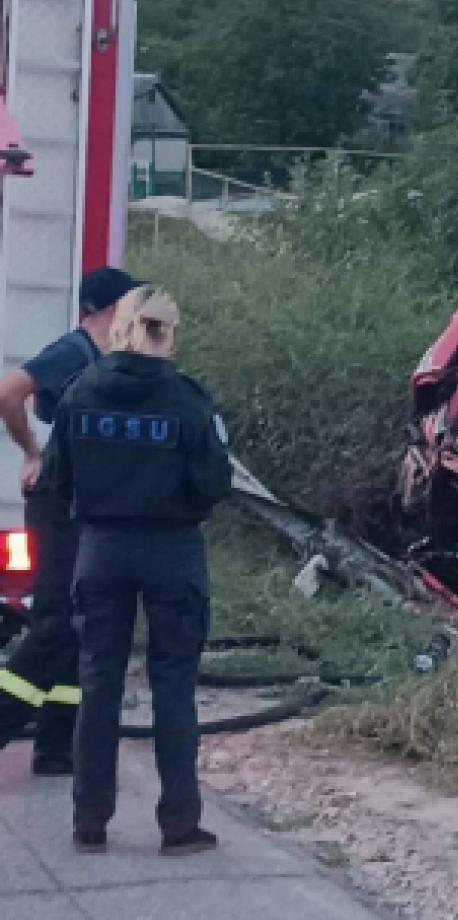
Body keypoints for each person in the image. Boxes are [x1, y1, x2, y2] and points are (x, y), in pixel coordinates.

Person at [47, 286, 232, 855]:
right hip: (172, 553)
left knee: (99, 681)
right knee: (173, 685)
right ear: (167, 331)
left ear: (122, 327)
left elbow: (57, 480)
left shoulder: (81, 391)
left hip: (101, 549)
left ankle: (89, 822)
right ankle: (178, 826)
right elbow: (213, 483)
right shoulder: (188, 400)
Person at [0, 267, 141, 775]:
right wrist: (31, 454)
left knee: (79, 626)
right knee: (56, 624)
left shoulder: (109, 359)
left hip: (86, 506)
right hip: (58, 502)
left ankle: (57, 747)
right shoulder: (73, 350)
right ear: (106, 308)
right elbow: (8, 392)